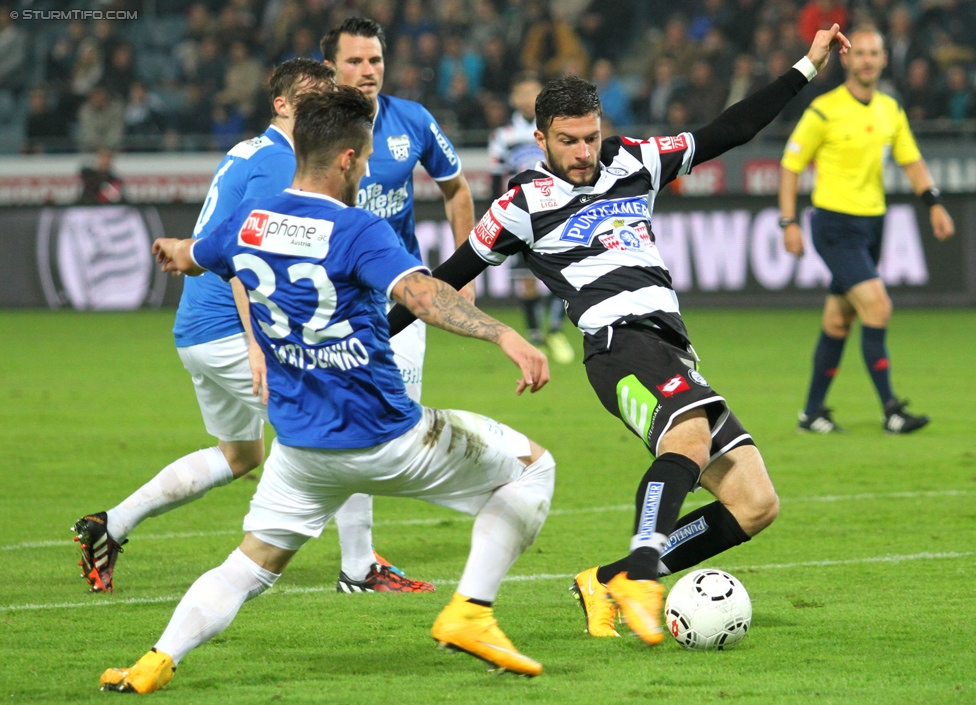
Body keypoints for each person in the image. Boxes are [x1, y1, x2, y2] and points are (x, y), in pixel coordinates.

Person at [388, 26, 850, 645]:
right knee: (683, 439)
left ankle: (606, 580)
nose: (584, 152)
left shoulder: (635, 159)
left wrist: (807, 65)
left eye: (591, 137)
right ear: (541, 139)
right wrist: (369, 336)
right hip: (617, 343)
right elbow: (440, 284)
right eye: (568, 141)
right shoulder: (521, 204)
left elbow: (731, 130)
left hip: (672, 346)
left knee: (754, 502)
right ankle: (641, 568)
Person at [99, 88, 555, 692]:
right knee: (532, 468)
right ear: (345, 158)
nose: (366, 169)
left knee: (248, 565)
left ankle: (154, 661)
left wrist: (173, 251)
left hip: (302, 451)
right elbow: (421, 295)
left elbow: (195, 253)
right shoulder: (358, 228)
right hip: (390, 436)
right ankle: (471, 610)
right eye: (363, 159)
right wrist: (504, 336)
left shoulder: (246, 221)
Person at [71, 59, 434, 598]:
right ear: (282, 106)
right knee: (347, 421)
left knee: (241, 455)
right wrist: (257, 342)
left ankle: (111, 524)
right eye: (309, 95)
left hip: (197, 329)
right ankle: (359, 568)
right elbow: (248, 256)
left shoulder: (253, 151)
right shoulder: (278, 162)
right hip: (228, 330)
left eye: (325, 94)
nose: (320, 103)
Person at [779, 27, 954, 435]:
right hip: (834, 225)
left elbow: (911, 161)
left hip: (873, 224)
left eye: (875, 53)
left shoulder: (890, 109)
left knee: (839, 321)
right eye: (861, 54)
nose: (868, 60)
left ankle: (811, 413)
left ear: (884, 59)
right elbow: (790, 167)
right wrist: (788, 223)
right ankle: (892, 410)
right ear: (846, 59)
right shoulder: (823, 110)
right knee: (878, 306)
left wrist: (935, 204)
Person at [488, 72, 574, 364]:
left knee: (561, 271)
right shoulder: (504, 136)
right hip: (519, 212)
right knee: (525, 278)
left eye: (533, 93)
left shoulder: (555, 127)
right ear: (514, 99)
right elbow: (496, 176)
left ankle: (556, 328)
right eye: (522, 94)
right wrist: (495, 209)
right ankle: (536, 334)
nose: (527, 100)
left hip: (554, 210)